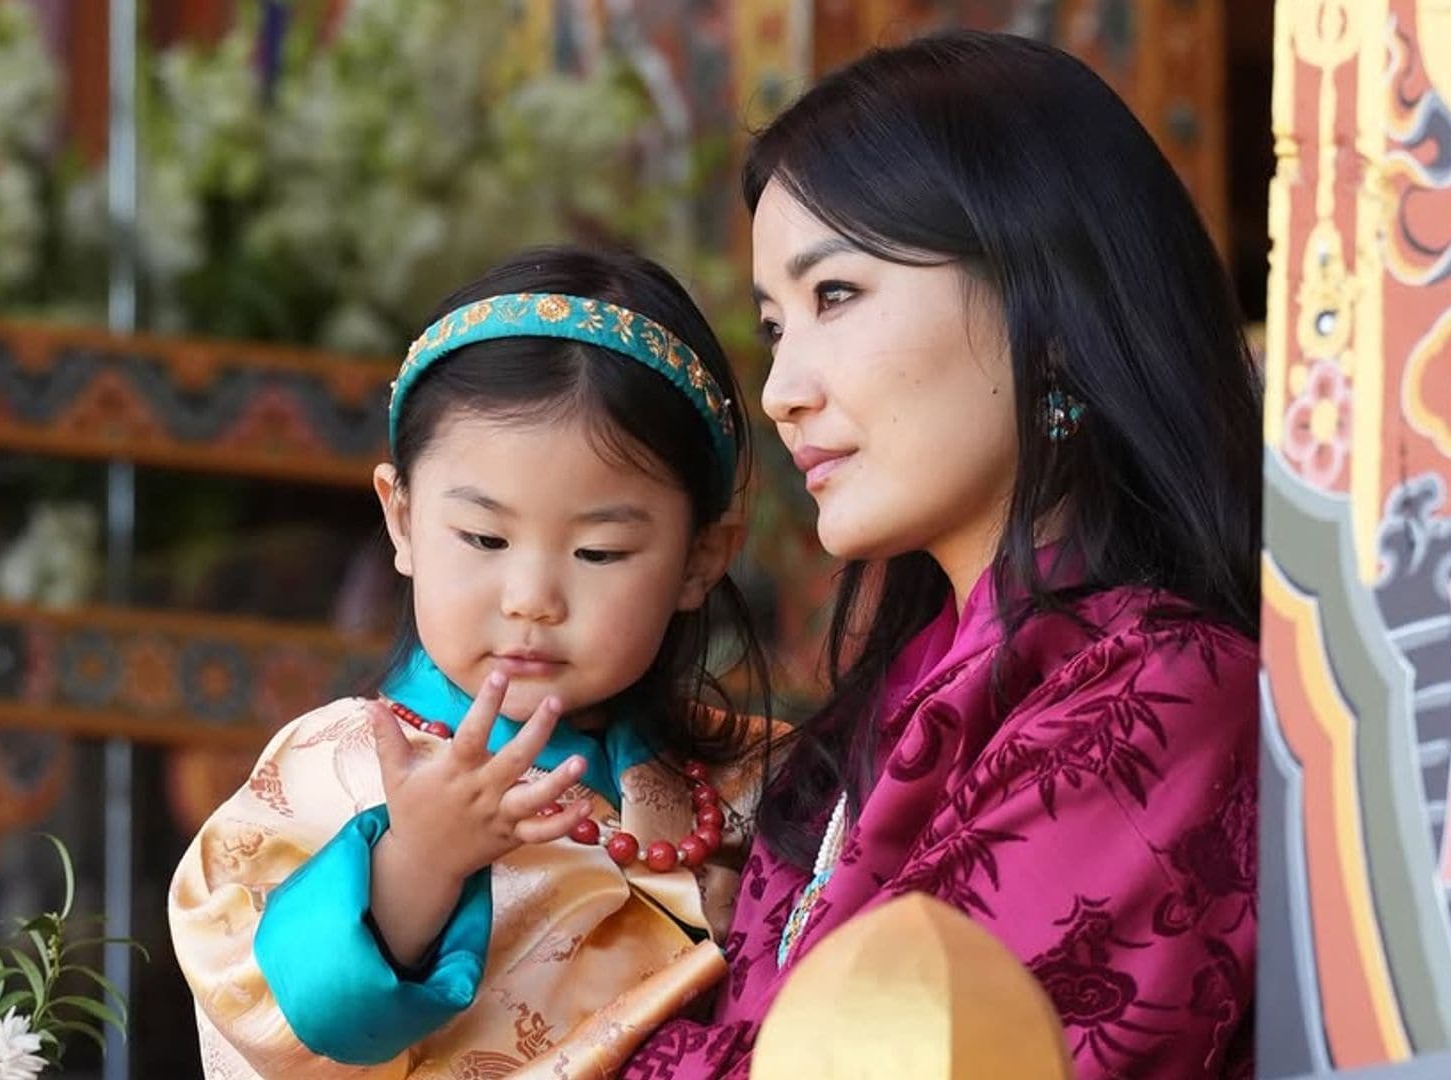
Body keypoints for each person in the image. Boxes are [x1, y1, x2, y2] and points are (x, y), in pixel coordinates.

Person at [625, 30, 1262, 1078]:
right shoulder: (879, 715)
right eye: (775, 327)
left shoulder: (1167, 698)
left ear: (1045, 308)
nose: (783, 390)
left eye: (834, 296)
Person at [169, 247, 773, 1078]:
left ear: (702, 559)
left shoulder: (758, 779)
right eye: (485, 538)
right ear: (403, 519)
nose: (531, 597)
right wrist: (414, 866)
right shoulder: (334, 769)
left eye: (600, 551)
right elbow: (278, 1026)